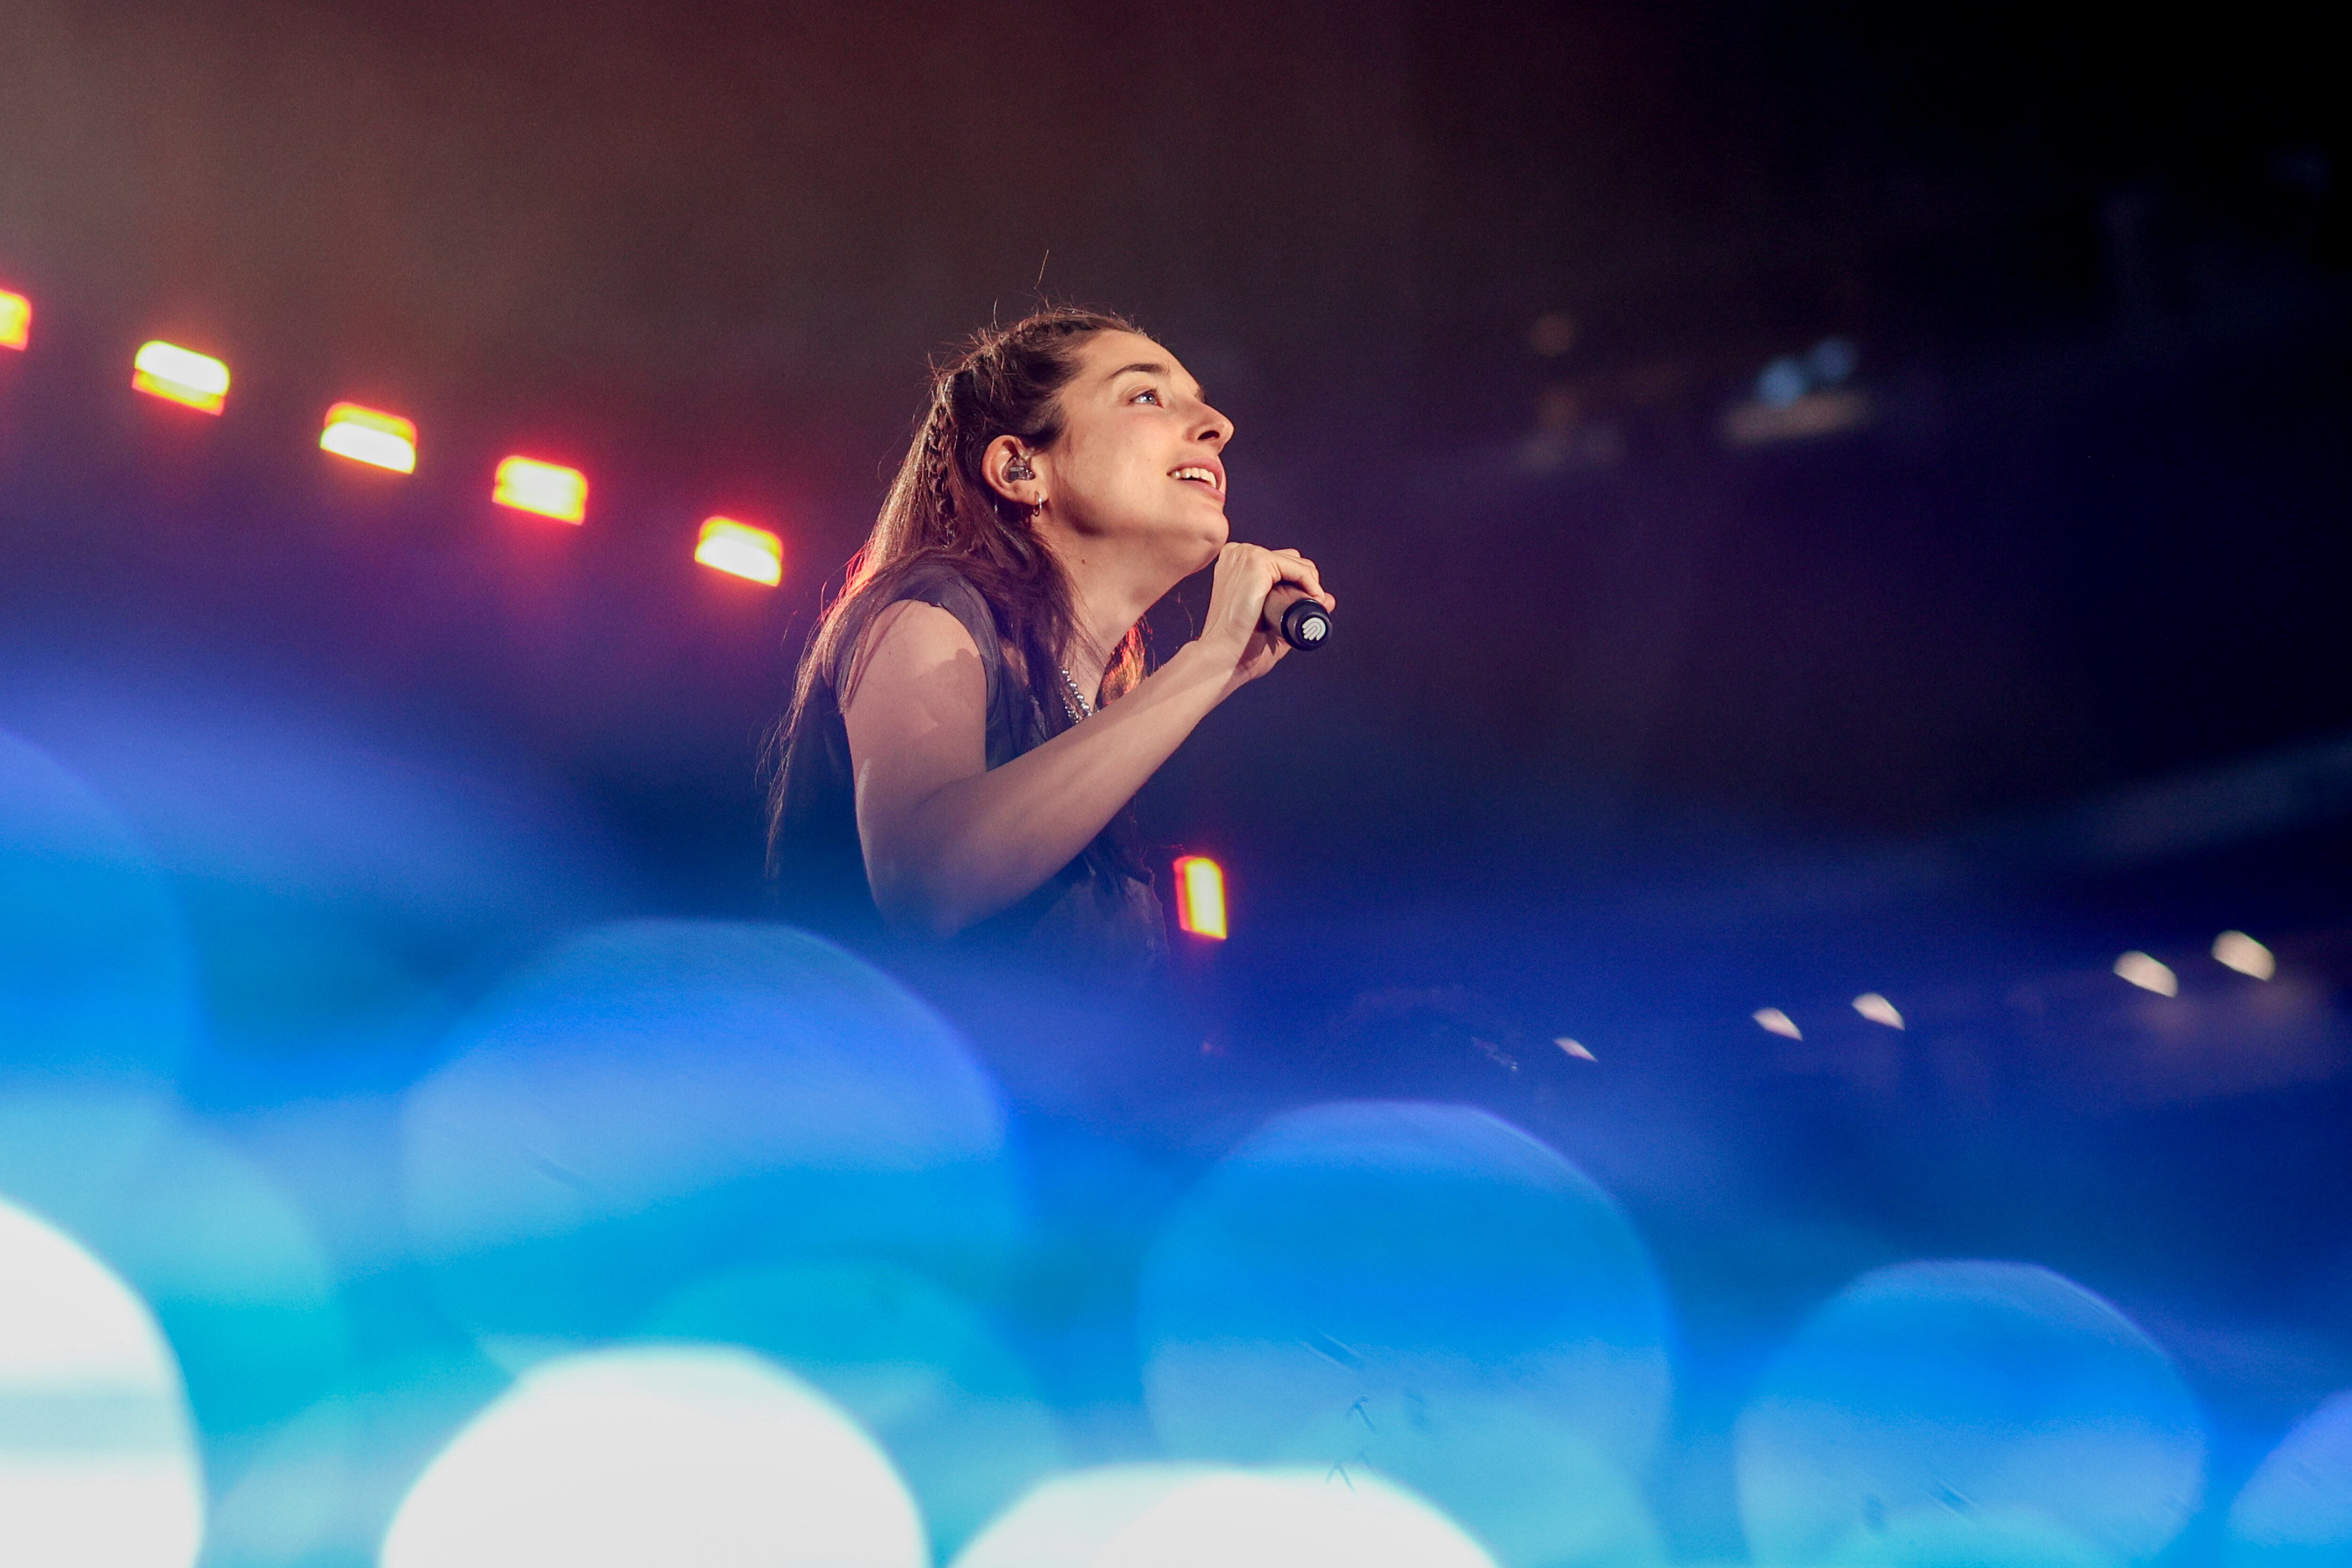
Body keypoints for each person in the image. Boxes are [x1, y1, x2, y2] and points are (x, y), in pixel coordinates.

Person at [767, 307, 1332, 979]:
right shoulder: (927, 609)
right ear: (1019, 469)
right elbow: (927, 882)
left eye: (1203, 406)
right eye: (1147, 395)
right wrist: (1207, 660)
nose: (1220, 427)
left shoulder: (1087, 706)